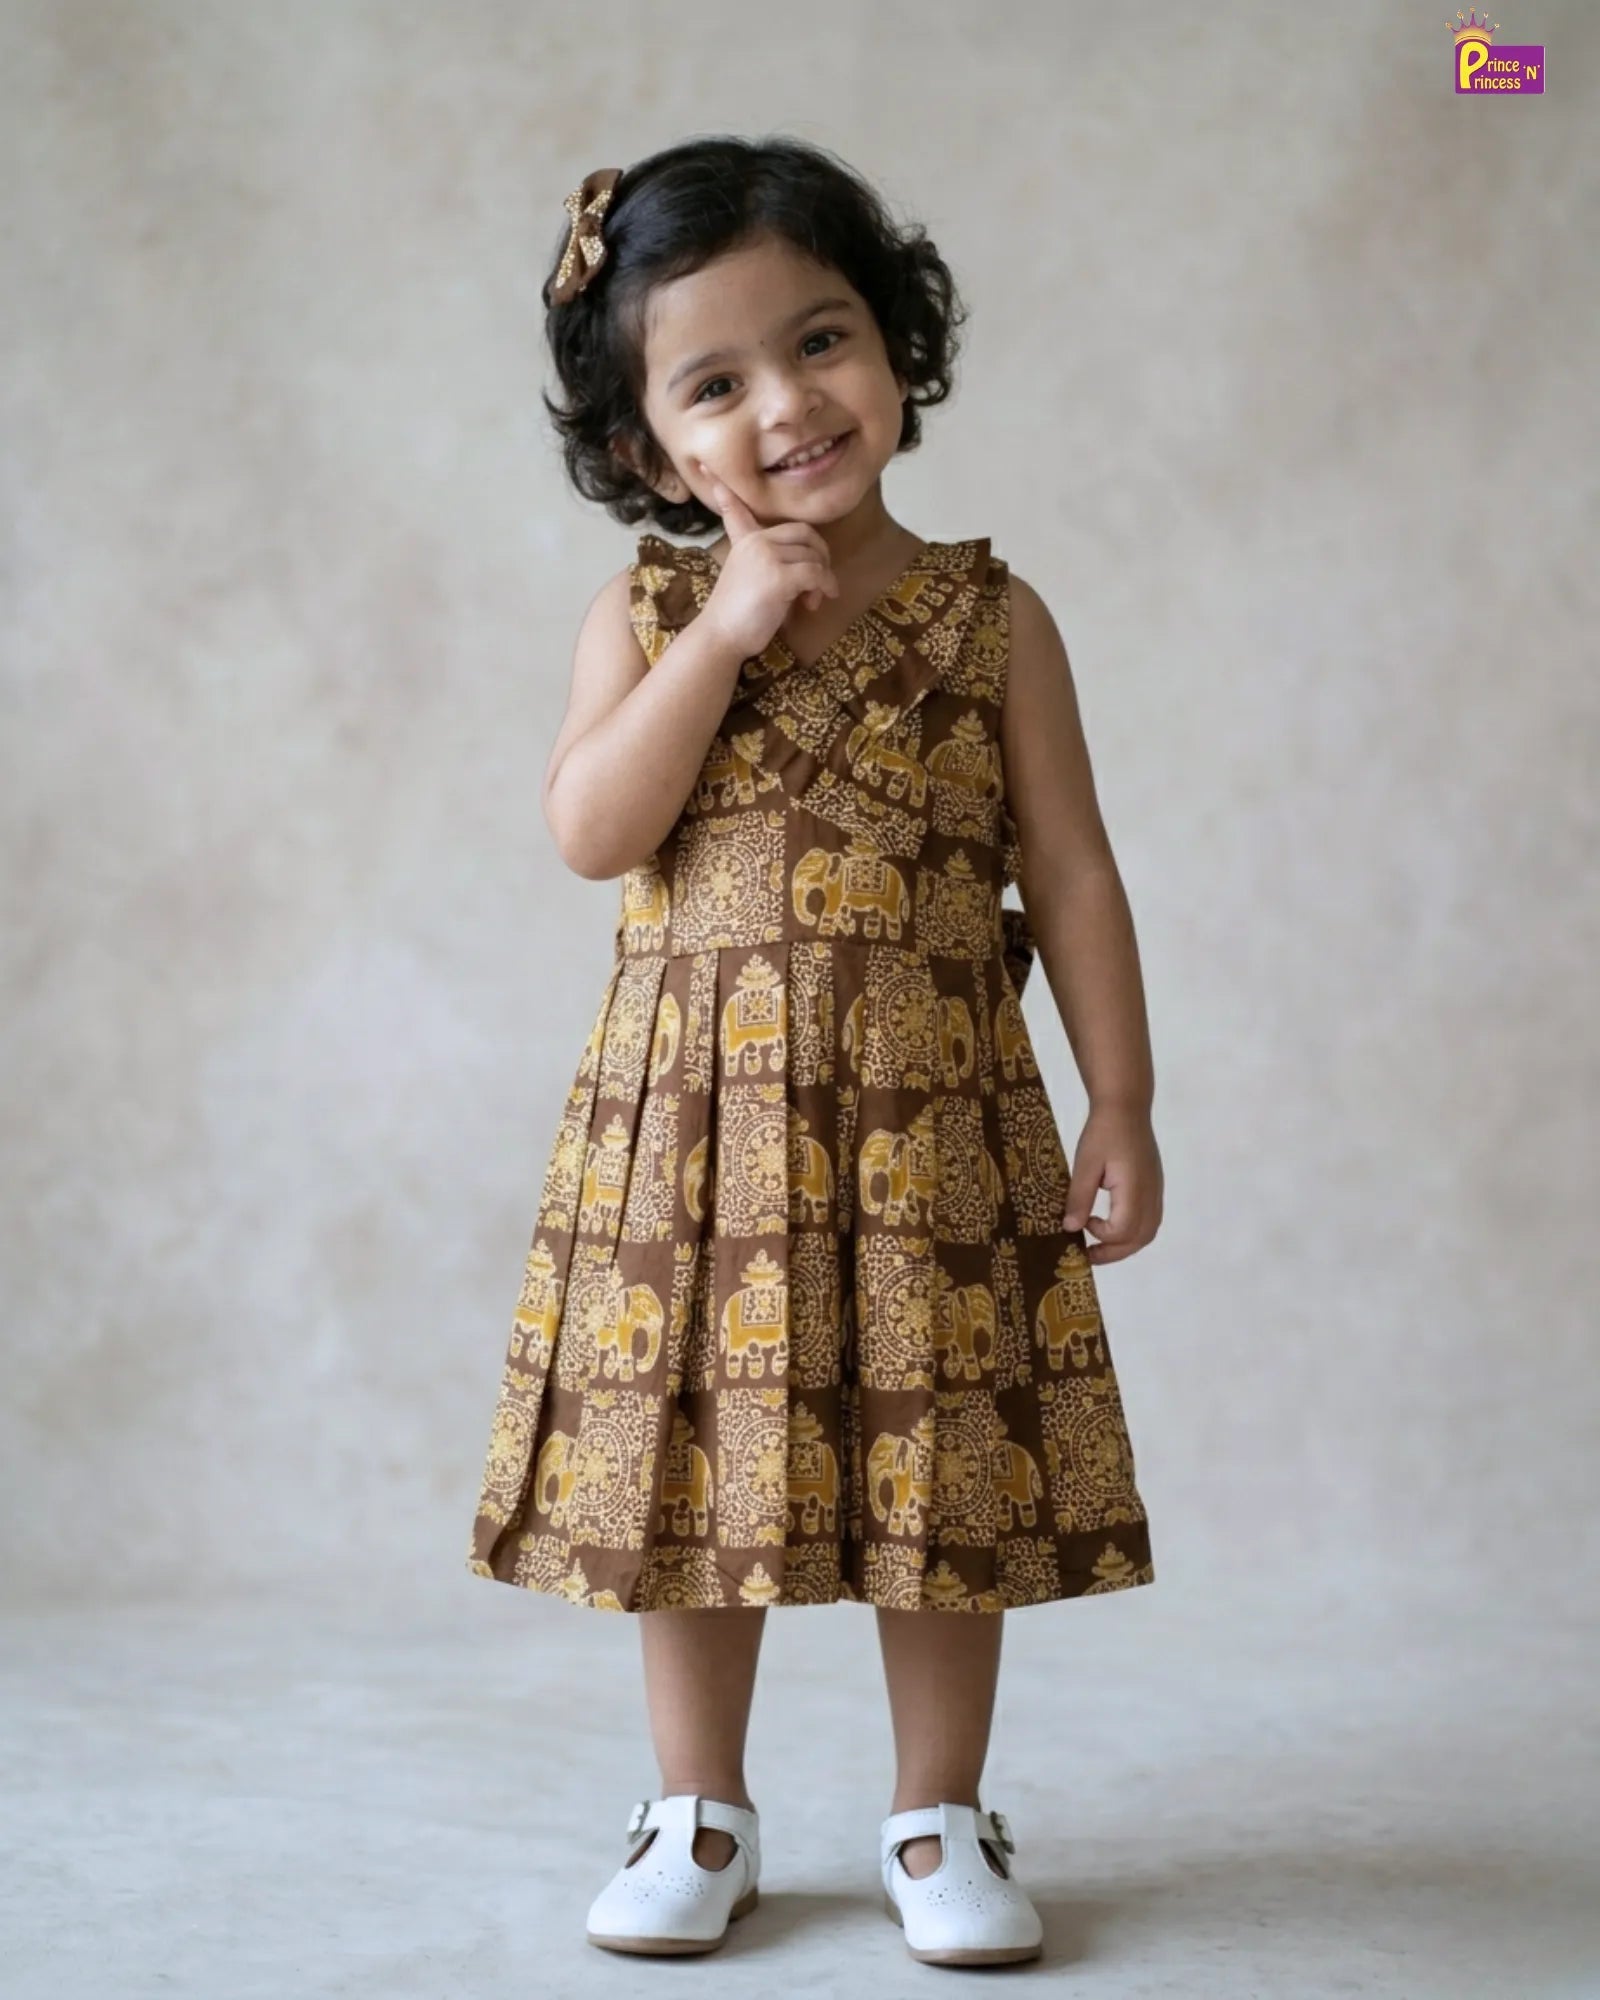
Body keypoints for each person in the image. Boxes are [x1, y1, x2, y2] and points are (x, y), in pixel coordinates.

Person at [464, 136, 1164, 1969]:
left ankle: (939, 1813)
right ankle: (697, 1807)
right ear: (646, 449)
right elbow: (592, 829)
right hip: (703, 1142)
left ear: (898, 351)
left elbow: (1074, 870)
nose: (788, 404)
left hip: (933, 1133)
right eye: (717, 383)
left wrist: (1126, 1103)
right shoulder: (645, 613)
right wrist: (723, 640)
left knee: (940, 1480)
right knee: (696, 1468)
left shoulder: (991, 619)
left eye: (824, 341)